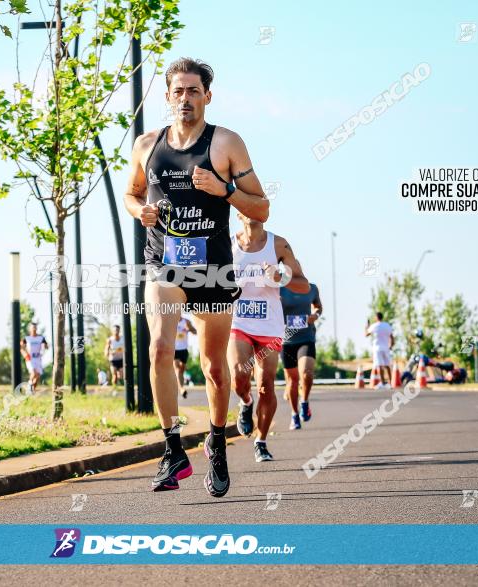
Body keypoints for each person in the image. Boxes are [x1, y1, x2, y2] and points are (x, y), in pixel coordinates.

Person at [124, 57, 269, 496]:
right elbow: (130, 194)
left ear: (207, 95)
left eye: (193, 90)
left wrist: (222, 189)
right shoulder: (147, 145)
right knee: (159, 349)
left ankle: (217, 441)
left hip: (213, 267)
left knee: (214, 369)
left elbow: (261, 207)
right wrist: (141, 211)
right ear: (166, 96)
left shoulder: (225, 143)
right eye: (177, 90)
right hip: (163, 262)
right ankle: (172, 449)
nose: (185, 98)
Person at [228, 212, 310, 462]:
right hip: (239, 321)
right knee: (240, 376)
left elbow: (303, 285)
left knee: (266, 386)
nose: (254, 212)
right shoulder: (228, 244)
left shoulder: (279, 245)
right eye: (248, 205)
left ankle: (261, 441)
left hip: (270, 326)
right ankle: (245, 401)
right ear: (240, 213)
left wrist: (281, 277)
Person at [281, 282, 322, 429]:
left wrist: (315, 315)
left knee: (306, 373)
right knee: (292, 382)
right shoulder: (279, 289)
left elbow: (318, 307)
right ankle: (294, 414)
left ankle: (304, 401)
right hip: (286, 341)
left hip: (306, 338)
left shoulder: (311, 288)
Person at [365, 312, 395, 389]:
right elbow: (392, 337)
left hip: (377, 348)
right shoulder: (387, 325)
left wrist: (366, 326)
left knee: (379, 365)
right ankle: (391, 383)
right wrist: (391, 346)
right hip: (386, 348)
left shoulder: (374, 326)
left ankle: (382, 383)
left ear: (376, 317)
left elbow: (366, 334)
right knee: (387, 365)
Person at [21, 323, 49, 393]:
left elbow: (46, 346)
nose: (34, 329)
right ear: (30, 329)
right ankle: (30, 387)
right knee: (33, 372)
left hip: (38, 358)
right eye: (32, 328)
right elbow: (21, 347)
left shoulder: (41, 338)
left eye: (35, 328)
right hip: (30, 358)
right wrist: (25, 355)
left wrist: (45, 347)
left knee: (38, 376)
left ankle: (31, 389)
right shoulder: (26, 338)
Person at [175, 316, 197, 398]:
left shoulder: (186, 321)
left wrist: (189, 329)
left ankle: (180, 386)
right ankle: (181, 389)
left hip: (184, 349)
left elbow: (195, 332)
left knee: (182, 369)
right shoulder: (171, 321)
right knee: (177, 369)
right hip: (175, 349)